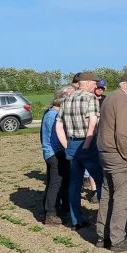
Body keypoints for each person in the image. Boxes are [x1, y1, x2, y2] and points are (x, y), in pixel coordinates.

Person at [95, 70, 127, 251]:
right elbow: (123, 133)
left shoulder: (109, 98)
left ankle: (102, 236)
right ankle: (117, 239)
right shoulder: (124, 102)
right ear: (126, 84)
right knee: (122, 198)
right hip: (118, 155)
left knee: (107, 195)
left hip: (105, 153)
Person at [56, 72, 103, 228]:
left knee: (74, 184)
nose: (96, 86)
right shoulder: (91, 99)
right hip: (87, 144)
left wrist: (66, 145)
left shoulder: (66, 99)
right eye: (95, 83)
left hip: (72, 144)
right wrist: (88, 143)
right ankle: (106, 218)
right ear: (87, 83)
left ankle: (76, 220)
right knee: (101, 181)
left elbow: (59, 126)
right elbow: (93, 123)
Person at [40, 89, 72, 225]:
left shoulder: (48, 112)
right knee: (56, 183)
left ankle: (56, 208)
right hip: (56, 153)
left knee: (54, 182)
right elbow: (58, 138)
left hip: (49, 152)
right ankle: (51, 213)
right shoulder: (54, 116)